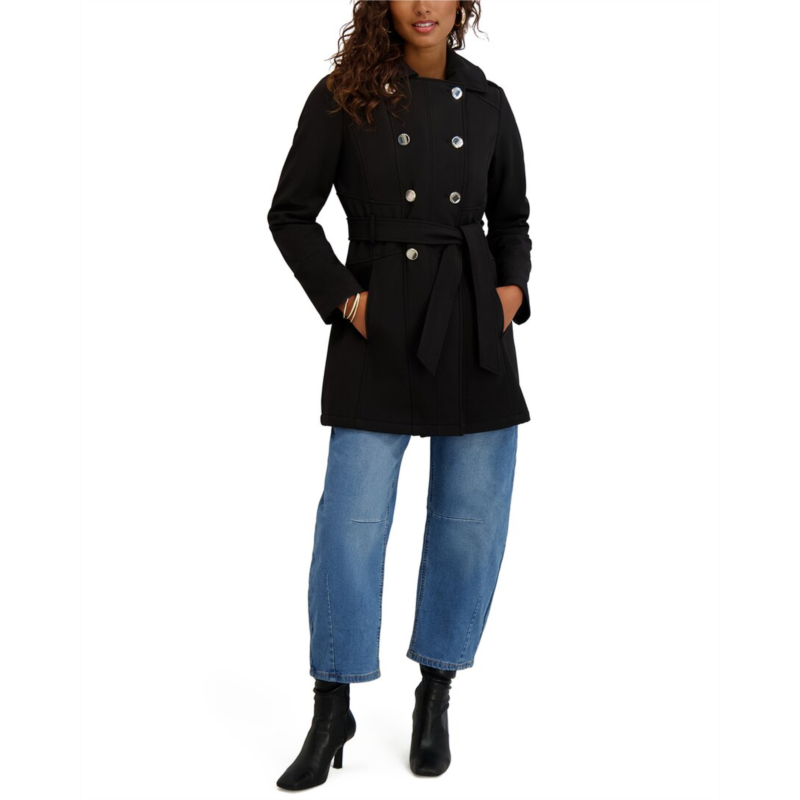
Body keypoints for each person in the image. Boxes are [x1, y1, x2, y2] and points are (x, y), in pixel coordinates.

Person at [266, 0, 532, 790]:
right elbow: (290, 214)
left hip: (473, 328)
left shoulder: (487, 101)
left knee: (469, 524)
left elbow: (511, 215)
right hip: (376, 331)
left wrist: (510, 291)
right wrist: (349, 302)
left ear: (461, 5)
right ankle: (332, 707)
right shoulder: (342, 96)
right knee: (349, 526)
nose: (423, 5)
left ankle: (435, 693)